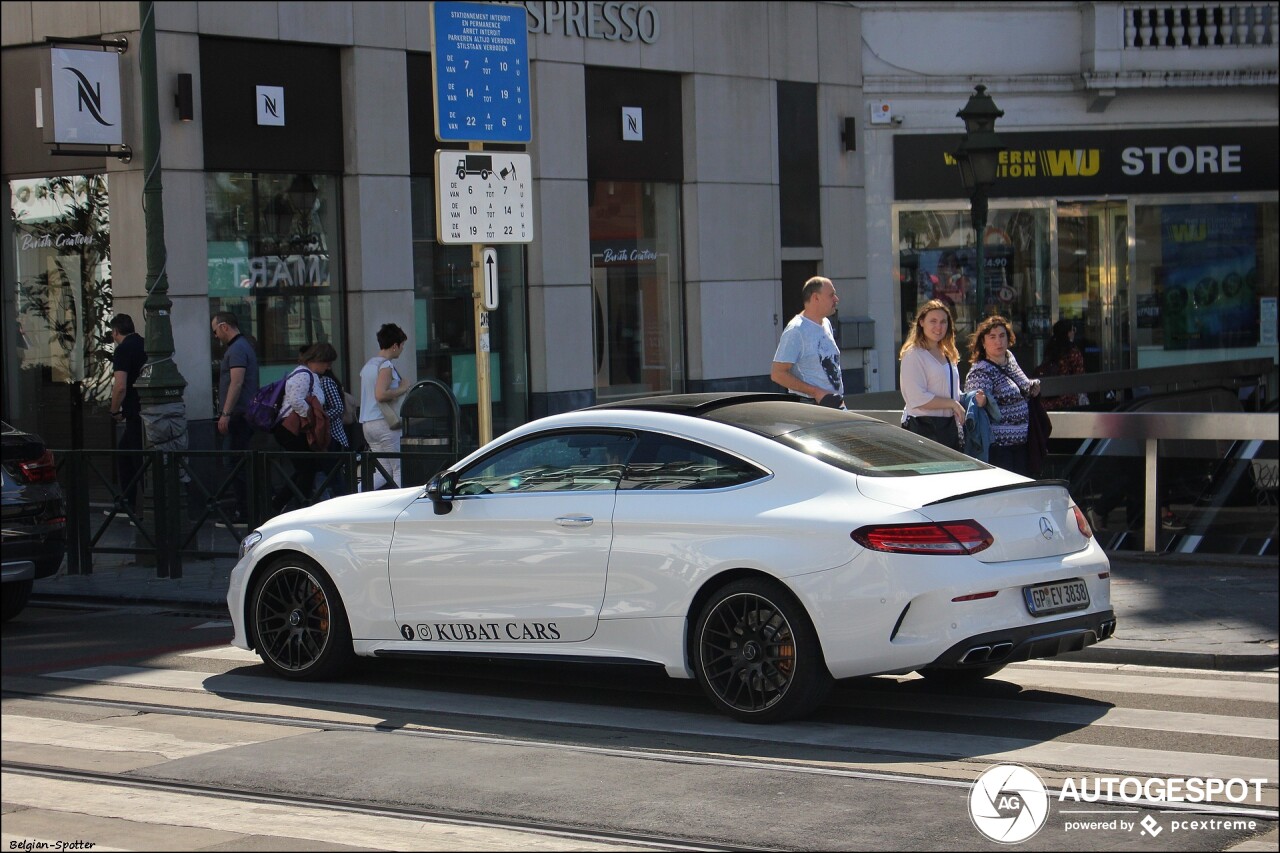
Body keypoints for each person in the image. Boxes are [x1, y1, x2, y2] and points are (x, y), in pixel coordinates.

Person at [898, 300, 982, 451]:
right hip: (924, 428)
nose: (939, 327)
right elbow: (916, 397)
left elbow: (950, 392)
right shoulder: (913, 354)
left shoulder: (948, 353)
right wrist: (952, 404)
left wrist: (971, 398)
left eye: (943, 322)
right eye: (933, 321)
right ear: (921, 322)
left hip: (950, 428)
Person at [963, 315, 1041, 477]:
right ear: (983, 343)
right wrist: (982, 401)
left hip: (1023, 443)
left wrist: (1033, 386)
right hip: (999, 447)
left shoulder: (1010, 359)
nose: (998, 342)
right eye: (992, 337)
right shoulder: (981, 370)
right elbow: (975, 409)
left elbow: (1020, 387)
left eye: (1002, 336)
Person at [271, 343, 333, 513]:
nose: (329, 367)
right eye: (327, 362)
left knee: (305, 468)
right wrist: (310, 418)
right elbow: (295, 400)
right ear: (318, 359)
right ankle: (298, 506)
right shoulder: (304, 375)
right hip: (291, 429)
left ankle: (284, 504)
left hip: (293, 429)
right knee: (307, 468)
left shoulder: (307, 374)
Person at [770, 276, 846, 409]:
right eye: (831, 295)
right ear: (816, 297)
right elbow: (778, 374)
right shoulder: (796, 330)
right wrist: (816, 392)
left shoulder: (826, 323)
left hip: (834, 405)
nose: (836, 299)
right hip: (811, 408)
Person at [212, 311, 259, 523]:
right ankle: (244, 508)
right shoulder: (241, 347)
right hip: (240, 414)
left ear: (224, 327)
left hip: (239, 416)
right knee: (236, 462)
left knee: (235, 462)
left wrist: (226, 413)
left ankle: (244, 510)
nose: (215, 336)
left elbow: (236, 382)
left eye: (215, 331)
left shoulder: (237, 349)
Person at [360, 323, 411, 490]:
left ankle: (356, 493)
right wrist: (403, 387)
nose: (402, 349)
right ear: (395, 346)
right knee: (399, 468)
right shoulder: (386, 366)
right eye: (402, 345)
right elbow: (381, 394)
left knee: (383, 469)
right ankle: (400, 505)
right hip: (385, 423)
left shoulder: (368, 366)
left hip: (367, 424)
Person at [108, 314, 146, 517]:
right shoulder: (144, 344)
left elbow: (120, 386)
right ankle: (127, 502)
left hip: (134, 411)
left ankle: (141, 506)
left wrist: (114, 410)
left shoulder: (123, 350)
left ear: (115, 332)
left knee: (137, 459)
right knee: (126, 454)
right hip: (147, 410)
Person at [316, 360, 352, 497]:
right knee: (332, 474)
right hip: (329, 435)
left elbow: (338, 407)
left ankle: (338, 500)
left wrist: (320, 418)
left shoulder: (325, 381)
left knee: (334, 475)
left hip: (333, 436)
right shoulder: (323, 380)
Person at [1035, 319, 1087, 411]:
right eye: (1072, 330)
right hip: (1067, 399)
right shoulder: (1073, 352)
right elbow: (1080, 376)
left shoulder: (1050, 348)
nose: (1074, 333)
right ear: (1068, 333)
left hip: (1047, 398)